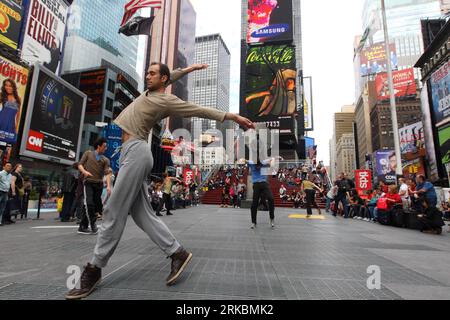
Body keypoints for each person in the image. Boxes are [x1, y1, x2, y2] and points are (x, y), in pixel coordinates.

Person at [65, 62, 255, 300]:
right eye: (147, 72)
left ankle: (94, 268)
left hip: (136, 151)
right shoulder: (150, 92)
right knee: (142, 214)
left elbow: (197, 109)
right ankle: (177, 252)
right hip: (129, 152)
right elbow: (170, 76)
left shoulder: (165, 100)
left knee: (113, 210)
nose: (147, 76)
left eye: (152, 73)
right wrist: (188, 70)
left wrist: (231, 116)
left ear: (162, 79)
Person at [77, 138, 111, 235]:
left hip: (99, 184)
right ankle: (93, 224)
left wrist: (108, 186)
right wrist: (84, 172)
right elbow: (80, 165)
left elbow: (107, 173)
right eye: (104, 146)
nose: (106, 148)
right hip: (88, 183)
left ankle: (82, 226)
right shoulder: (88, 153)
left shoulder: (105, 160)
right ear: (98, 146)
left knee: (94, 206)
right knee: (89, 203)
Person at [245, 155, 283, 229]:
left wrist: (279, 157)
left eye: (259, 166)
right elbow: (244, 160)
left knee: (271, 199)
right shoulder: (252, 163)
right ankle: (253, 222)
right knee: (254, 203)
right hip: (256, 184)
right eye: (256, 167)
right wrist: (241, 160)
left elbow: (273, 158)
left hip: (264, 183)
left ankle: (272, 218)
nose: (258, 168)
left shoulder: (264, 162)